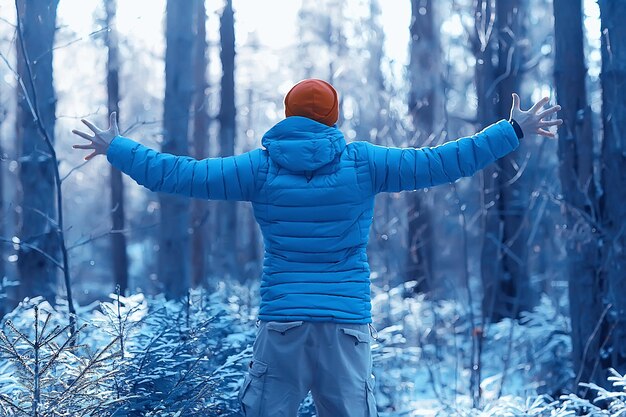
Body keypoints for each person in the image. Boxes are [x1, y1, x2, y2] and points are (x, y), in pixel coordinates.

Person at [72, 78, 562, 416]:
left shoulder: (259, 168)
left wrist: (118, 146)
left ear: (288, 115)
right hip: (346, 327)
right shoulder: (364, 163)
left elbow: (180, 175)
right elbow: (442, 162)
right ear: (333, 118)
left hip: (283, 324)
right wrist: (512, 130)